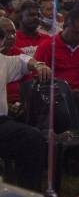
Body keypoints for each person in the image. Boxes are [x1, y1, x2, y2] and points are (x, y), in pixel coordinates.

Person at [0, 17, 50, 192]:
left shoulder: (2, 61)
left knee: (33, 138)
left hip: (2, 123)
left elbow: (22, 60)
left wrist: (38, 65)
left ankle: (27, 192)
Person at [34, 7, 79, 130]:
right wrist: (66, 92)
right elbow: (40, 81)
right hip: (59, 97)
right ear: (65, 26)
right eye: (76, 32)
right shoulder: (47, 47)